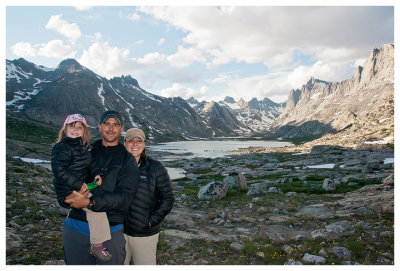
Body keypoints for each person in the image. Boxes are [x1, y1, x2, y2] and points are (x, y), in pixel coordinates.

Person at [62, 110, 139, 265]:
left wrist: (90, 203)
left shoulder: (128, 160)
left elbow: (125, 197)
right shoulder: (84, 150)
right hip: (77, 225)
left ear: (121, 129)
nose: (111, 128)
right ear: (99, 126)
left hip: (110, 231)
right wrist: (65, 198)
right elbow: (65, 177)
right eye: (107, 124)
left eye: (115, 125)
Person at [51, 113, 113, 262]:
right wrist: (79, 185)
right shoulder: (61, 147)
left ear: (84, 131)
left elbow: (91, 164)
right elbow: (59, 170)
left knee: (97, 204)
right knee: (95, 209)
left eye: (79, 127)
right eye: (72, 127)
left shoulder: (84, 147)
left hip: (80, 187)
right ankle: (97, 246)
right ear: (65, 129)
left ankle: (96, 242)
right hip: (67, 189)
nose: (75, 130)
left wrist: (97, 174)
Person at [123, 128, 174, 265]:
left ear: (144, 143)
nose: (135, 144)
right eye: (131, 141)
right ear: (125, 143)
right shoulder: (117, 166)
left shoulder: (155, 167)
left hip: (144, 233)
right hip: (118, 232)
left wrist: (151, 221)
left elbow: (168, 198)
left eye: (139, 140)